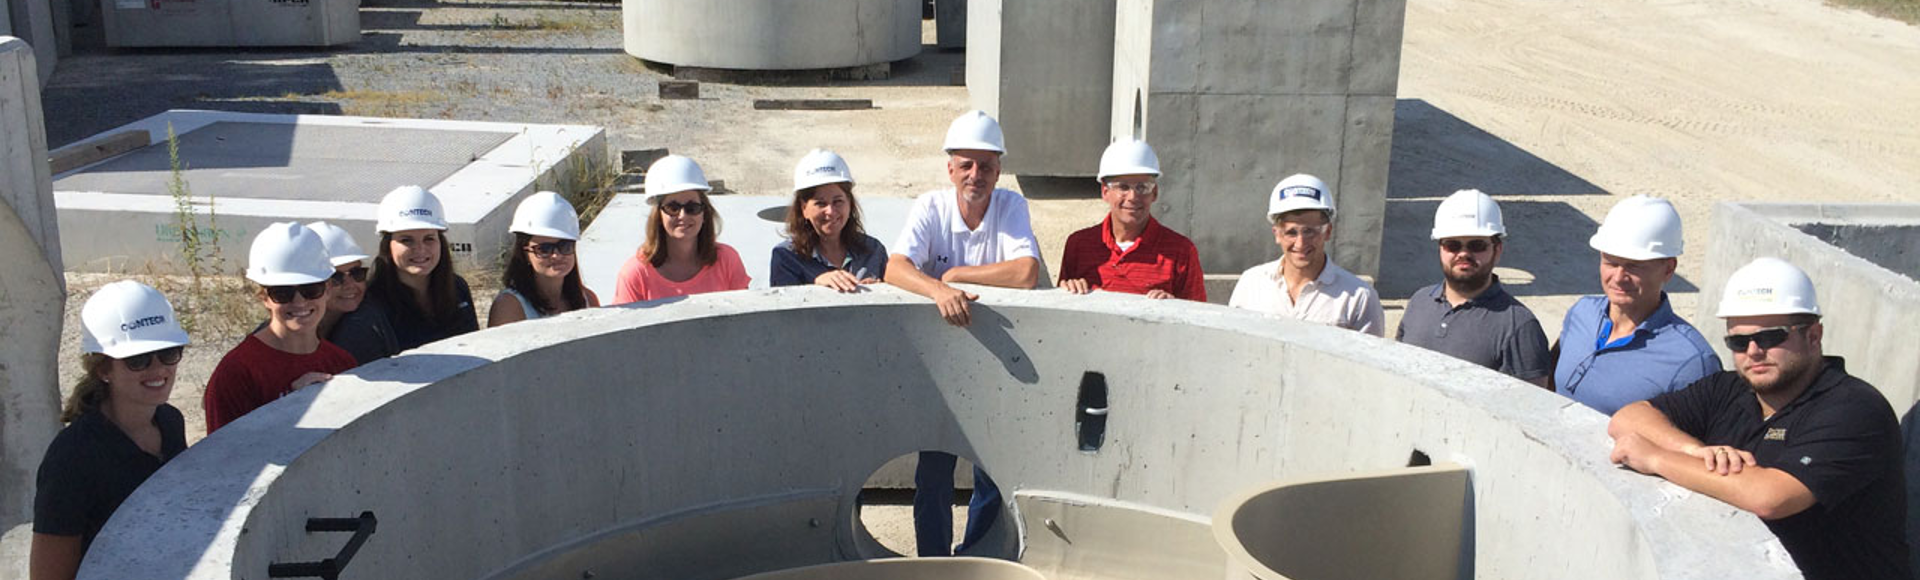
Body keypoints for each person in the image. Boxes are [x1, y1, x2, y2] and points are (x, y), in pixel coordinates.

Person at [1609, 258, 1909, 580]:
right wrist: (1694, 451)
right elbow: (1629, 418)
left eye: (1770, 338)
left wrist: (1655, 457)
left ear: (1813, 336)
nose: (1753, 351)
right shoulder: (1729, 389)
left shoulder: (1856, 409)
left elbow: (1770, 497)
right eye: (1738, 342)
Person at [886, 110, 1039, 557]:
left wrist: (955, 274)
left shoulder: (1010, 206)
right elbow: (895, 268)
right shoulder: (931, 206)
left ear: (999, 170)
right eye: (966, 164)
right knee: (933, 470)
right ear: (950, 167)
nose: (976, 175)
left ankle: (974, 556)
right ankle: (934, 561)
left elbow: (1026, 272)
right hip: (940, 363)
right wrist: (938, 290)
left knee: (991, 473)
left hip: (994, 360)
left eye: (986, 165)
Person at [31, 281, 192, 580]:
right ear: (103, 370)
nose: (158, 369)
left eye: (168, 353)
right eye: (138, 360)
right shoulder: (72, 458)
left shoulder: (170, 423)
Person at [1553, 195, 1719, 414]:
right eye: (1611, 262)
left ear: (1668, 269)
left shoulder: (1692, 362)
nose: (1619, 277)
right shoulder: (1581, 313)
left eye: (1634, 266)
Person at [203, 223, 358, 433]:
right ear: (264, 298)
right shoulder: (237, 373)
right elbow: (225, 457)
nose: (300, 302)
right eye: (283, 293)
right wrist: (291, 408)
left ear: (328, 289)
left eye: (311, 289)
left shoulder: (342, 363)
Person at [1395, 190, 1551, 386]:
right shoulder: (1419, 302)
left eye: (1477, 245)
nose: (1463, 254)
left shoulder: (1519, 327)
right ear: (1440, 248)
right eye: (1452, 245)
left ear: (1497, 250)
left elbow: (1532, 409)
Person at [330, 185, 480, 365]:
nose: (420, 249)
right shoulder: (369, 315)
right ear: (388, 245)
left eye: (429, 238)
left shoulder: (457, 288)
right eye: (406, 240)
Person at [1227, 174, 1384, 336]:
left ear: (1328, 232)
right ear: (1277, 234)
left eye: (1310, 232)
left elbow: (1369, 358)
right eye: (1291, 233)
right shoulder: (1251, 284)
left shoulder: (1358, 297)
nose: (1300, 243)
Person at [1057, 139, 1206, 300]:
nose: (1133, 197)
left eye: (1142, 187)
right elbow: (1061, 312)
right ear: (1105, 192)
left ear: (1154, 193)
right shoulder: (1079, 245)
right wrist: (1068, 290)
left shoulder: (1181, 252)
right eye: (1123, 187)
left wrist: (1174, 307)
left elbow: (1197, 317)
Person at [612, 155, 751, 303]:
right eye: (673, 208)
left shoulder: (727, 260)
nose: (683, 216)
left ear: (704, 214)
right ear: (658, 215)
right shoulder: (635, 274)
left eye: (692, 208)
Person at [770, 148, 887, 291]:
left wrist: (880, 292)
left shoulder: (873, 251)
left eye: (838, 201)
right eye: (820, 203)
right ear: (804, 208)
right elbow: (785, 309)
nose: (830, 212)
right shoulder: (786, 257)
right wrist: (817, 286)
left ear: (850, 203)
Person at [489, 191, 599, 326]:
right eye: (544, 249)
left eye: (565, 246)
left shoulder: (588, 300)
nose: (557, 255)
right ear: (524, 253)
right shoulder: (509, 307)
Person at [305, 222, 370, 342]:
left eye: (357, 273)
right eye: (336, 277)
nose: (349, 285)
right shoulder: (289, 337)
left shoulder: (376, 319)